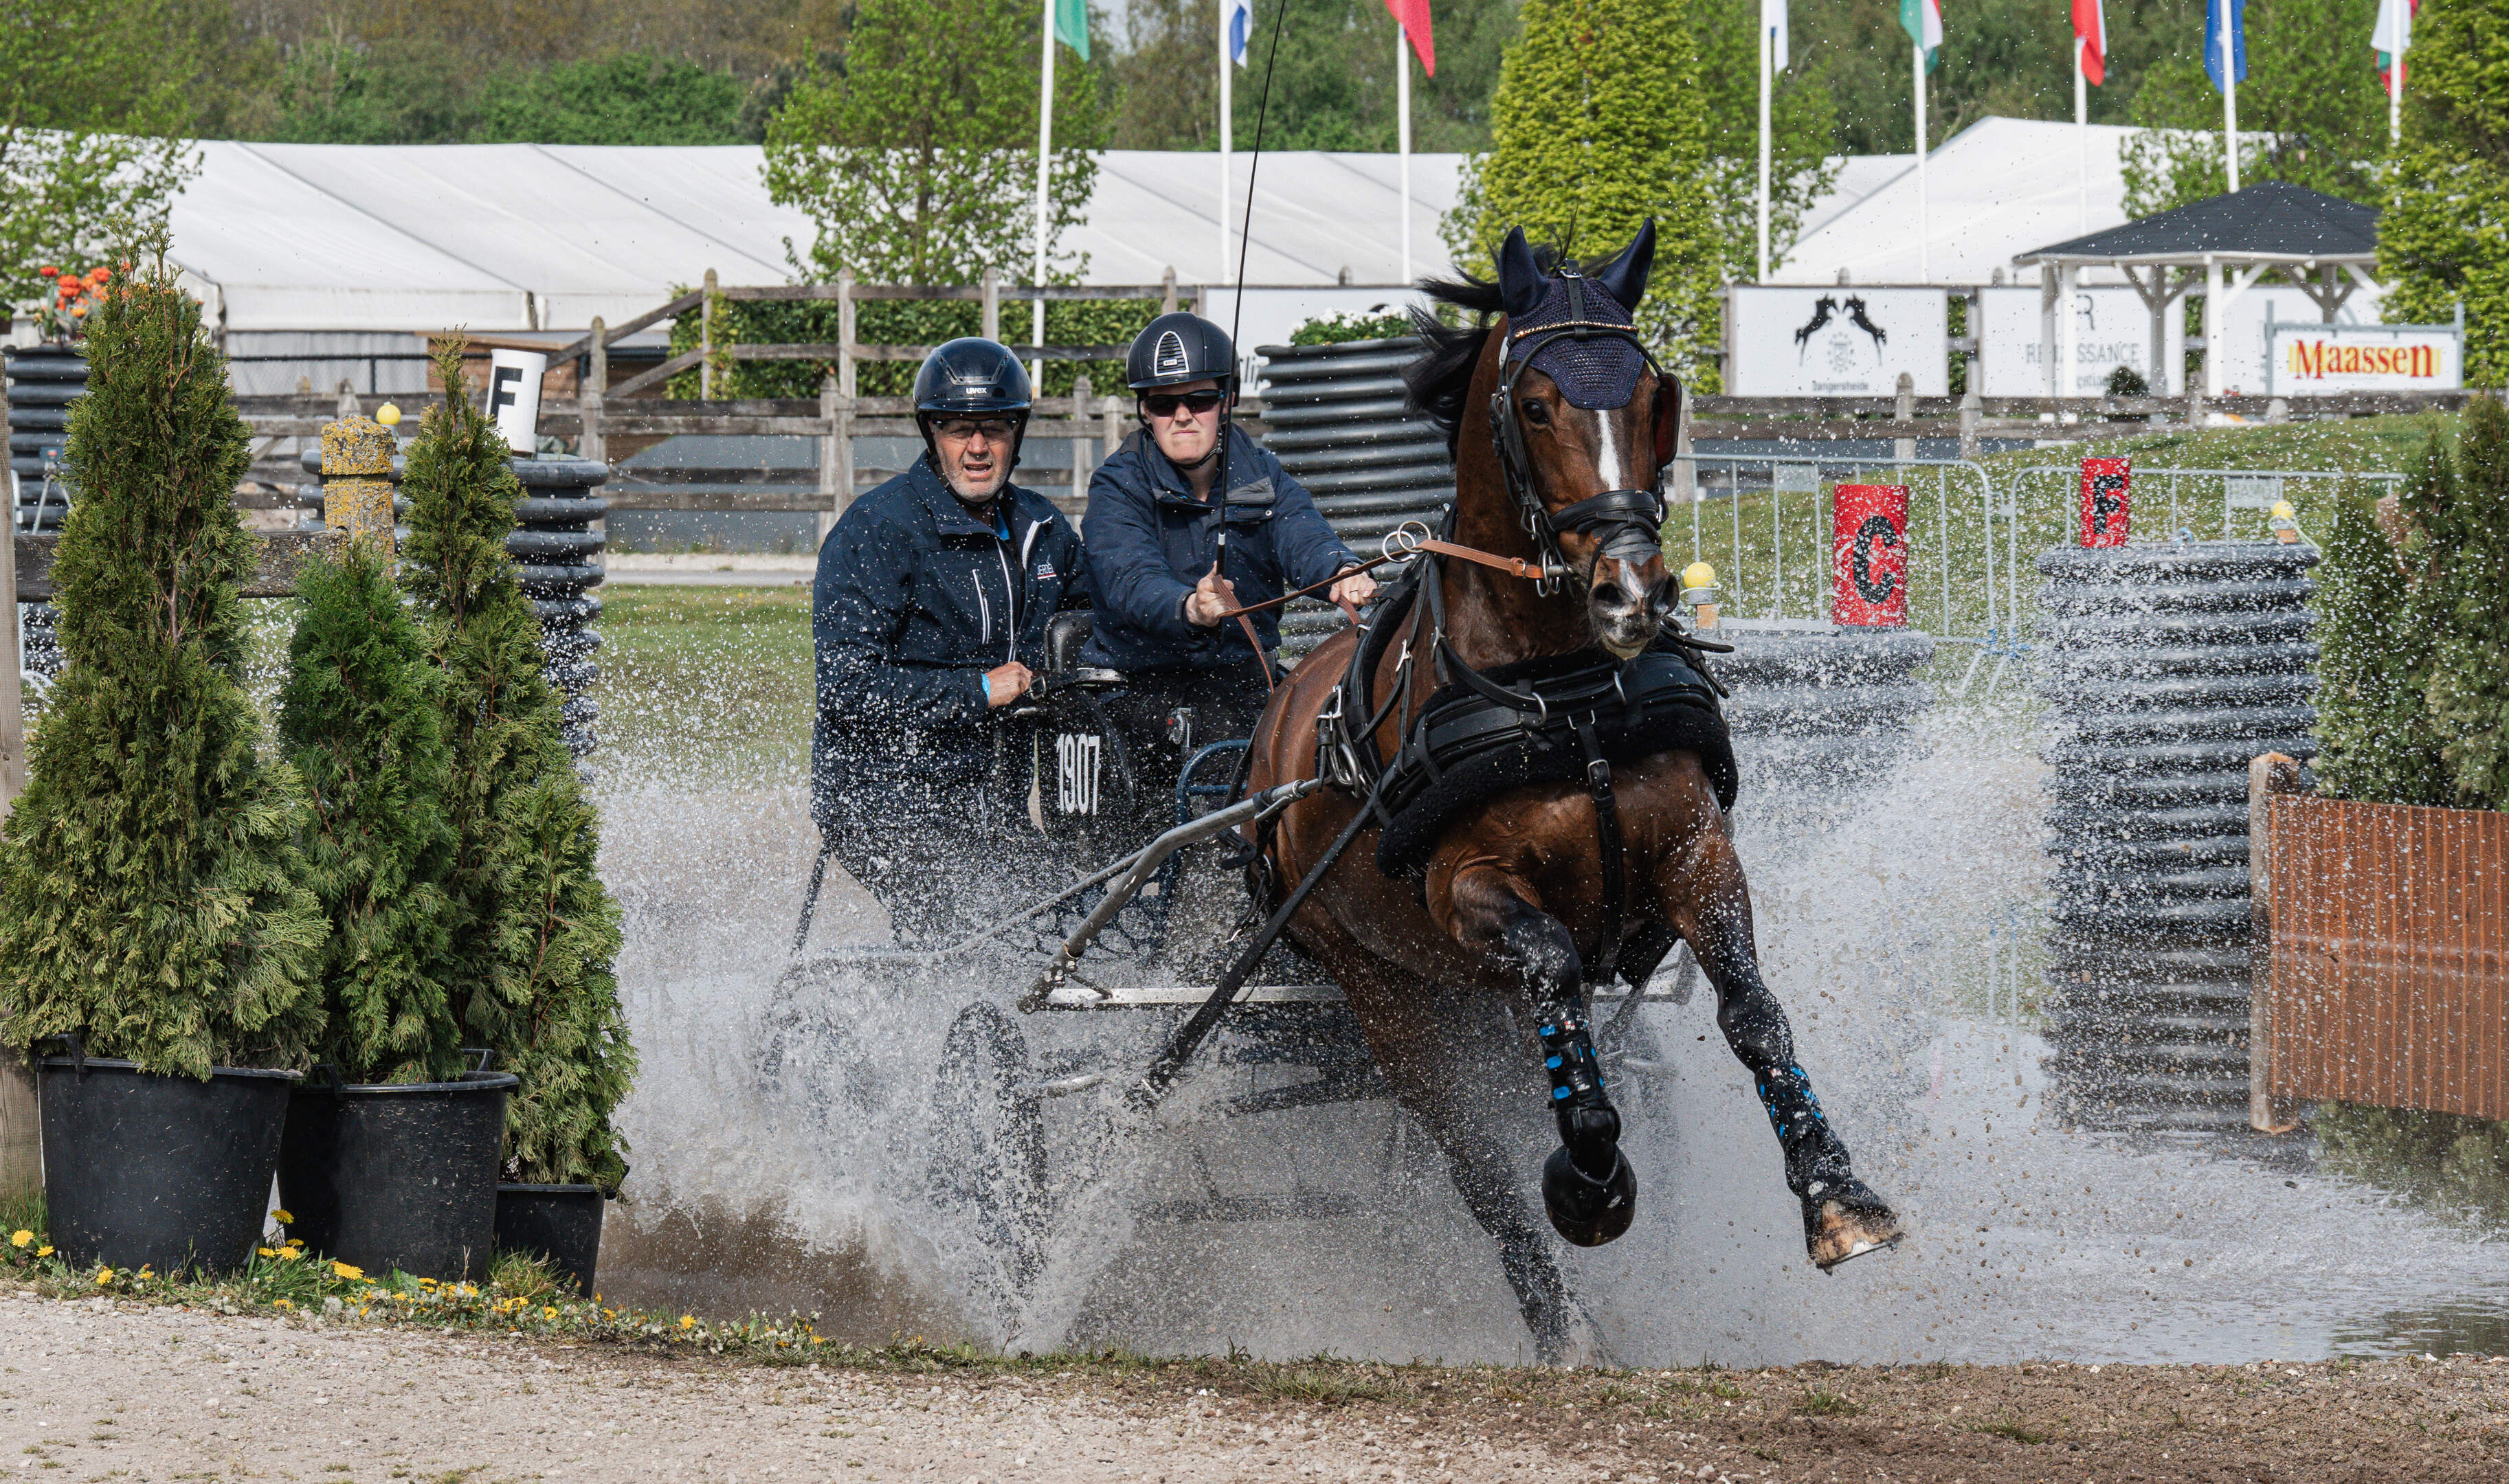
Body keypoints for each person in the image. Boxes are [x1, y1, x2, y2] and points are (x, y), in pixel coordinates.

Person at [812, 337, 1089, 946]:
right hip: (883, 801)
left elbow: (1094, 625)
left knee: (1074, 924)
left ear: (1017, 435)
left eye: (994, 428)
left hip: (996, 804)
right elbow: (844, 687)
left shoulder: (1044, 528)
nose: (978, 448)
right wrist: (975, 690)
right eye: (960, 429)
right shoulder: (878, 529)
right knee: (980, 928)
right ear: (930, 433)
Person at [1080, 313, 1376, 826]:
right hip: (1140, 685)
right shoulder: (1117, 485)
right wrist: (1189, 607)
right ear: (1143, 411)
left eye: (1198, 400)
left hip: (1244, 680)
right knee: (1231, 745)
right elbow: (1127, 577)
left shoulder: (1262, 474)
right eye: (1162, 403)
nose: (1182, 416)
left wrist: (1340, 571)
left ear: (1227, 400)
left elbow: (1302, 534)